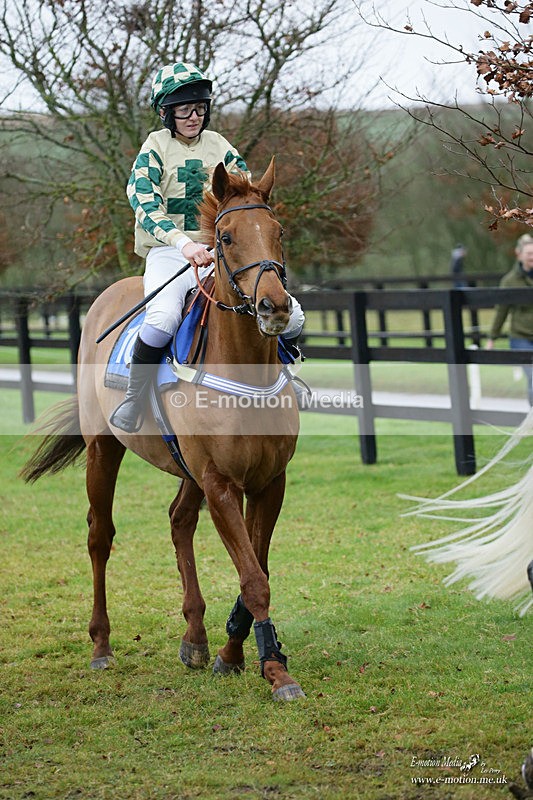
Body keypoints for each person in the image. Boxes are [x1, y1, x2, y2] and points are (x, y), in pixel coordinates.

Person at [110, 62, 305, 433]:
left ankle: (286, 379)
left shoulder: (220, 146)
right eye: (184, 109)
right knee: (163, 319)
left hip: (222, 251)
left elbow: (246, 199)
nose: (193, 116)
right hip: (169, 252)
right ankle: (135, 400)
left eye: (199, 108)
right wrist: (183, 244)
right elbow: (143, 203)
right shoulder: (154, 148)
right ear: (166, 113)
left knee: (291, 315)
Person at [486, 234, 533, 406]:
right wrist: (492, 337)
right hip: (521, 337)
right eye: (529, 253)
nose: (532, 256)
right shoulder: (509, 281)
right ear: (519, 254)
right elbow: (501, 311)